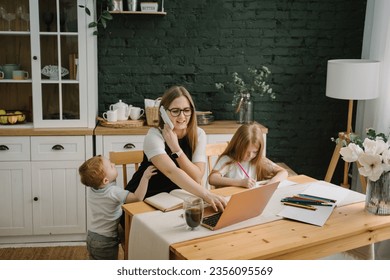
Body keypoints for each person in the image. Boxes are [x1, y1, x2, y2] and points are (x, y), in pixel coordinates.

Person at [126, 85, 226, 211]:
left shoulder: (198, 134)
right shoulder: (154, 136)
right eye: (175, 111)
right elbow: (171, 171)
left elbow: (196, 177)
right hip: (143, 198)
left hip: (175, 198)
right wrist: (206, 194)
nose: (182, 117)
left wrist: (176, 149)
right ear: (163, 112)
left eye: (186, 110)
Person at [79, 155, 157, 260]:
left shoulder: (93, 189)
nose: (114, 164)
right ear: (106, 181)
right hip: (105, 241)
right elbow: (137, 198)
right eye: (111, 166)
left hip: (92, 236)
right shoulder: (113, 192)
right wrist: (145, 177)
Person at [208, 123, 288, 188]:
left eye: (255, 152)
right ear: (237, 146)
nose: (250, 156)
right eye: (246, 152)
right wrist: (240, 183)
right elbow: (212, 179)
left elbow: (283, 172)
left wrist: (271, 184)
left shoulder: (258, 160)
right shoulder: (228, 159)